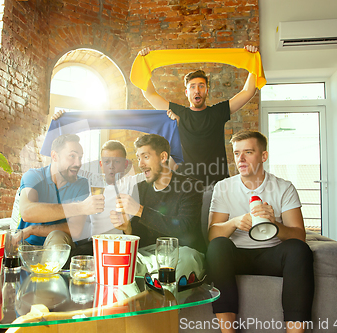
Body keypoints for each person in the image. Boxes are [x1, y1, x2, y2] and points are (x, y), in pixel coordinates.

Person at [206, 130, 314, 333]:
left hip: (272, 255)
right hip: (236, 256)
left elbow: (299, 235)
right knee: (217, 246)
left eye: (248, 152)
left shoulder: (283, 188)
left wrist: (274, 224)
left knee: (299, 250)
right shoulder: (223, 187)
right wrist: (234, 223)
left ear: (263, 156)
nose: (241, 159)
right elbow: (212, 234)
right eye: (237, 153)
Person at [137, 45, 258, 187]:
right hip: (186, 185)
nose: (197, 91)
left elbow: (249, 91)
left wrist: (252, 60)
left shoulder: (217, 112)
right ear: (186, 92)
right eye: (192, 87)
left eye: (201, 86)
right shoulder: (178, 113)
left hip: (217, 183)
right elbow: (150, 94)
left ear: (207, 90)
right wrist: (144, 64)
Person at [110, 134, 206, 279]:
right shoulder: (139, 188)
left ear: (163, 157)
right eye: (138, 158)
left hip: (182, 253)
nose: (141, 164)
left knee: (186, 258)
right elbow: (137, 237)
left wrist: (140, 210)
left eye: (145, 157)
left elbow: (185, 228)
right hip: (148, 255)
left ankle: (164, 297)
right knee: (116, 259)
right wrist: (127, 227)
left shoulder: (190, 186)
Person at [17, 134, 104, 247]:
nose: (78, 164)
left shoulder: (81, 184)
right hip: (26, 246)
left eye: (80, 157)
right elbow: (27, 212)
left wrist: (33, 229)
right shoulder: (34, 176)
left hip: (60, 248)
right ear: (54, 156)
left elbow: (75, 230)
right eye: (72, 156)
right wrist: (80, 207)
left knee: (57, 236)